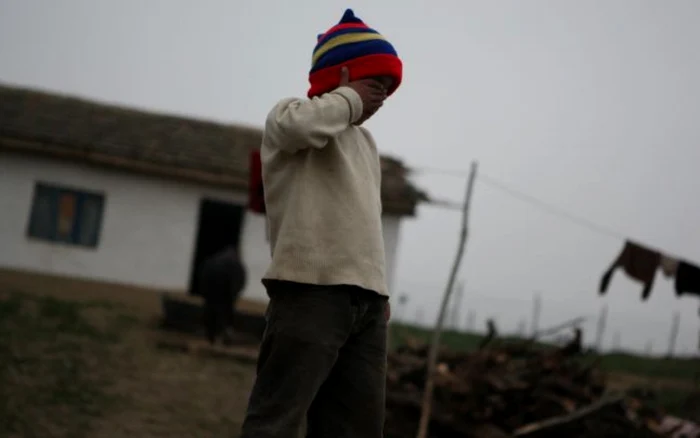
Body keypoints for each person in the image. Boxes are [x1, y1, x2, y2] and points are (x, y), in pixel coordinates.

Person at [240, 9, 402, 438]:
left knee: (356, 427)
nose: (381, 97)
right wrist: (349, 98)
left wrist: (377, 286)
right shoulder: (290, 117)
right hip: (309, 293)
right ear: (345, 73)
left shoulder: (366, 144)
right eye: (375, 83)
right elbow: (299, 128)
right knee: (276, 419)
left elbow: (367, 221)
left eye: (387, 89)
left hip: (366, 304)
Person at [199, 246, 246, 345]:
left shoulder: (213, 261)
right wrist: (234, 293)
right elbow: (239, 281)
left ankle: (211, 336)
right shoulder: (236, 264)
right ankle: (224, 335)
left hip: (213, 289)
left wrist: (205, 292)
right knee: (225, 313)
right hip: (227, 292)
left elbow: (204, 276)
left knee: (211, 310)